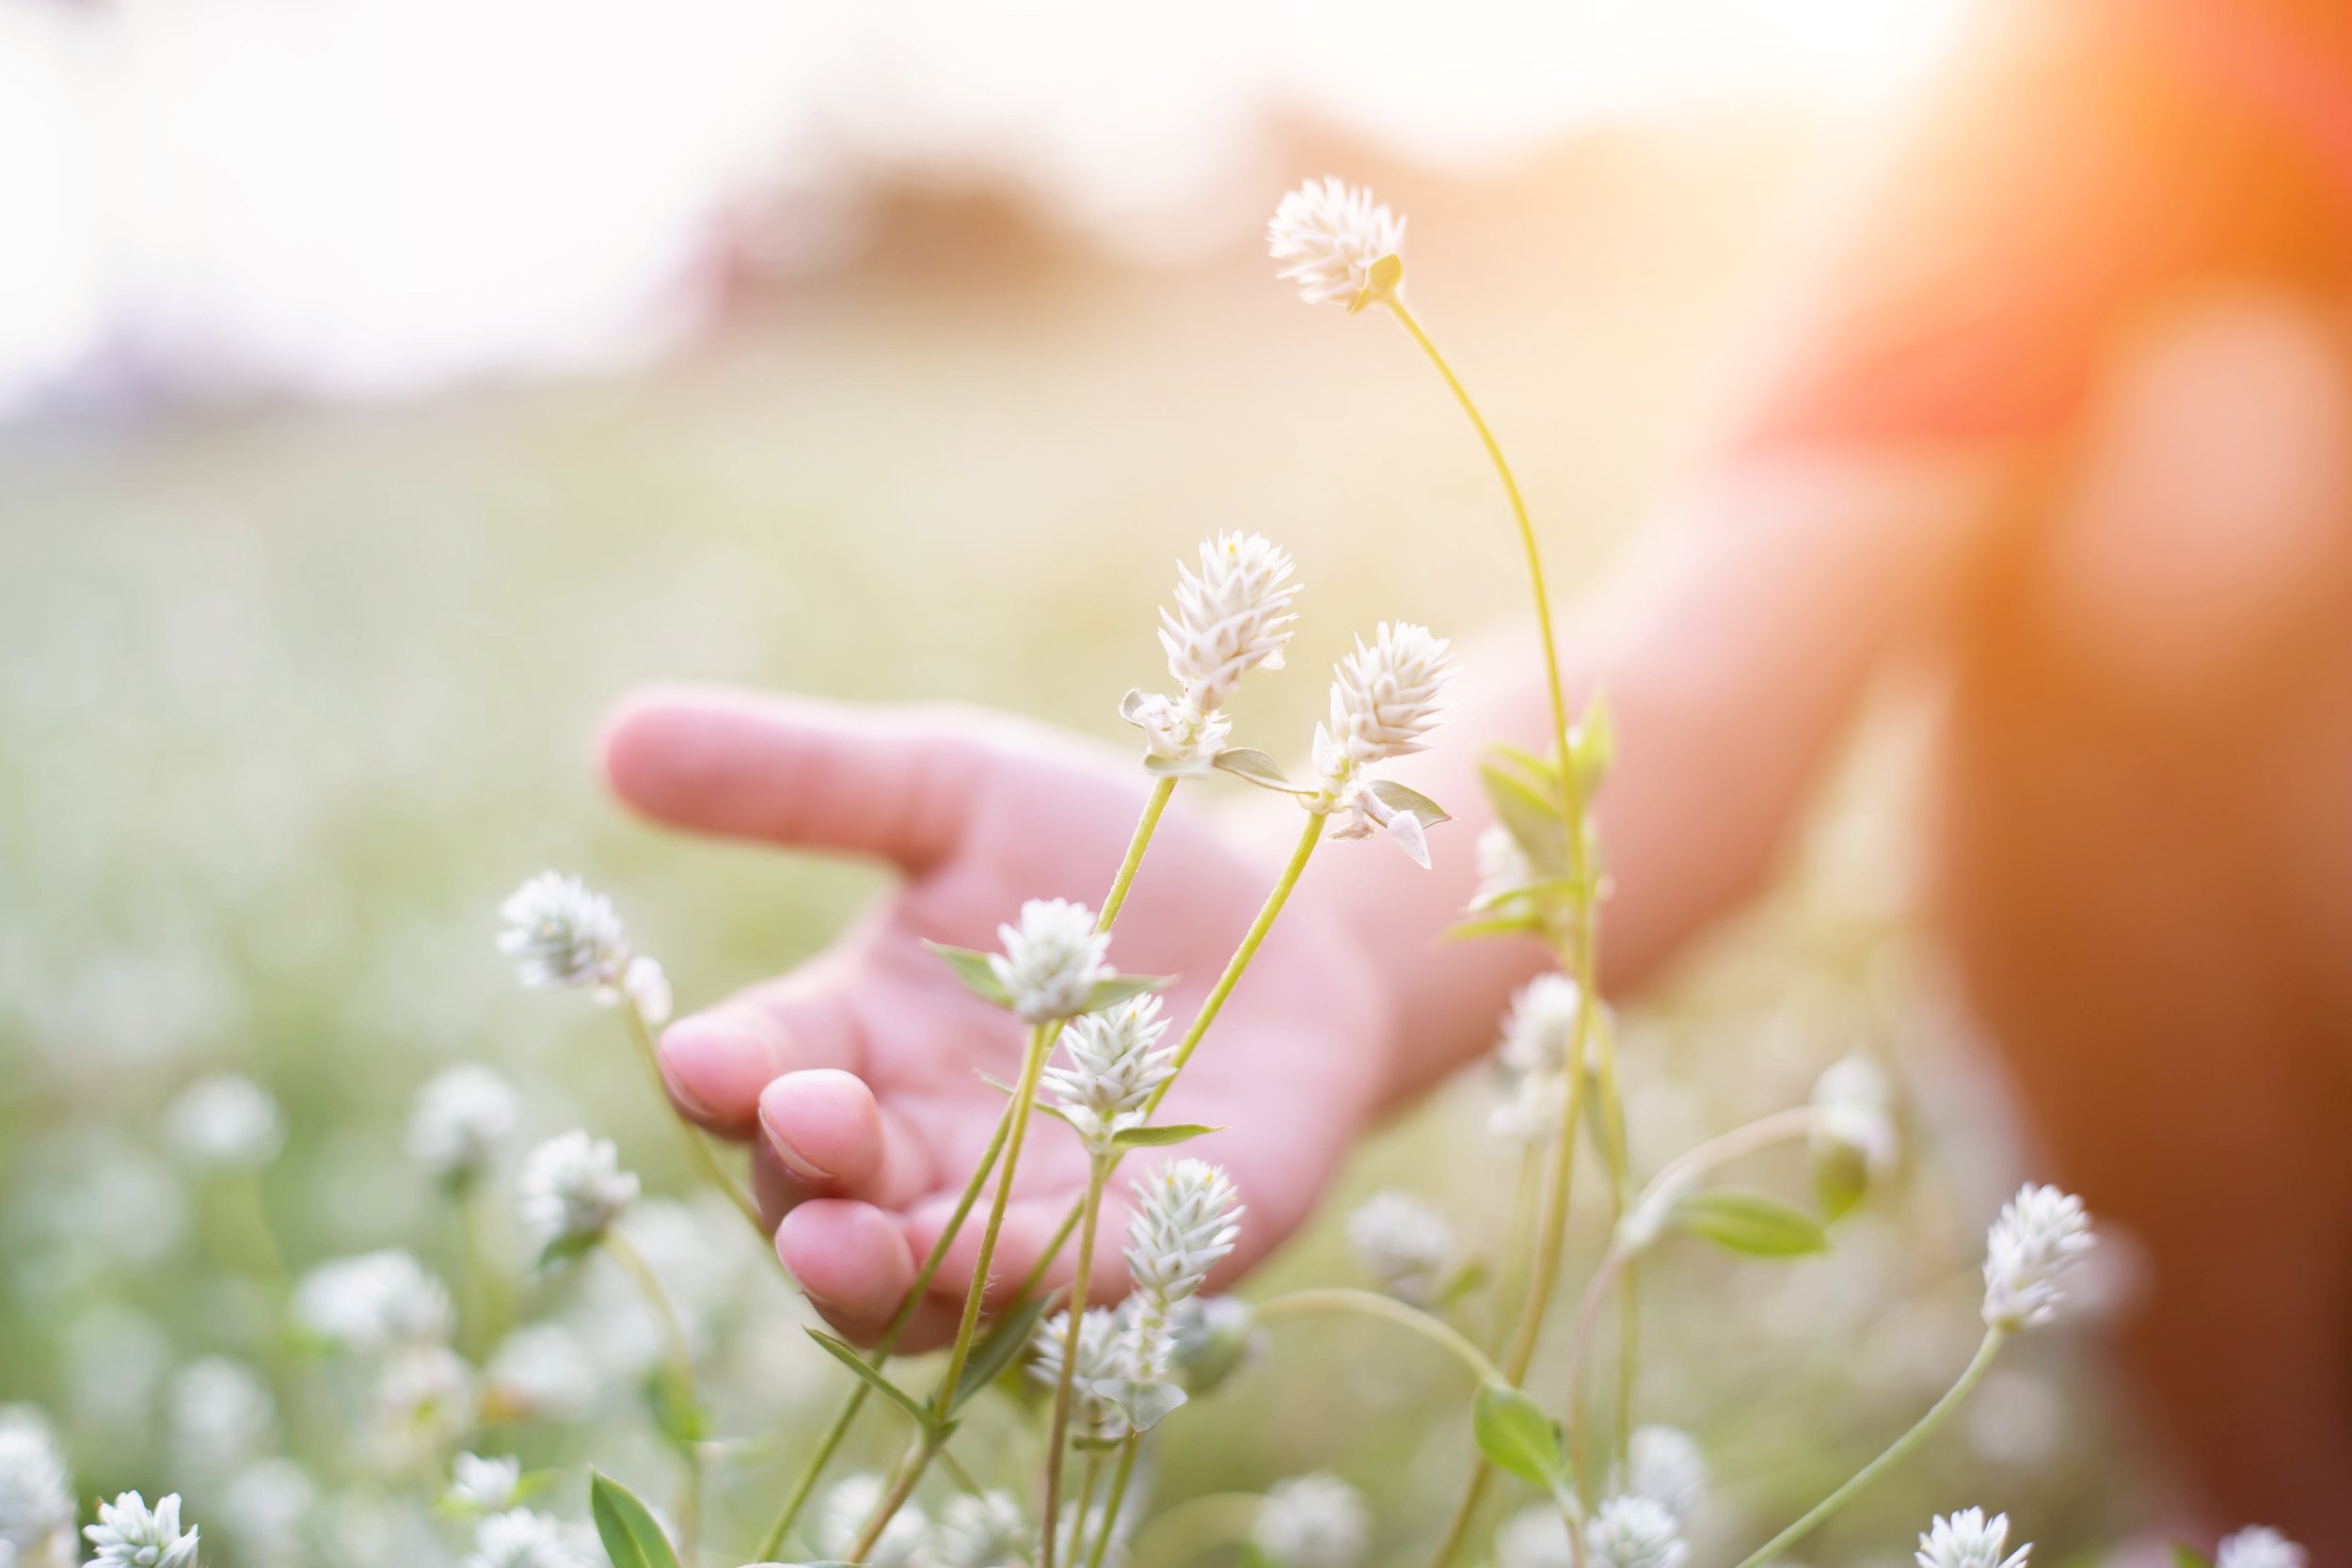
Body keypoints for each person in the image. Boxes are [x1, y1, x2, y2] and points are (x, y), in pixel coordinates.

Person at [601, 0, 2352, 1546]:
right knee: (2212, 453)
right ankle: (2282, 1507)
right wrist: (1313, 936)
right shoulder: (2126, 75)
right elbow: (1701, 682)